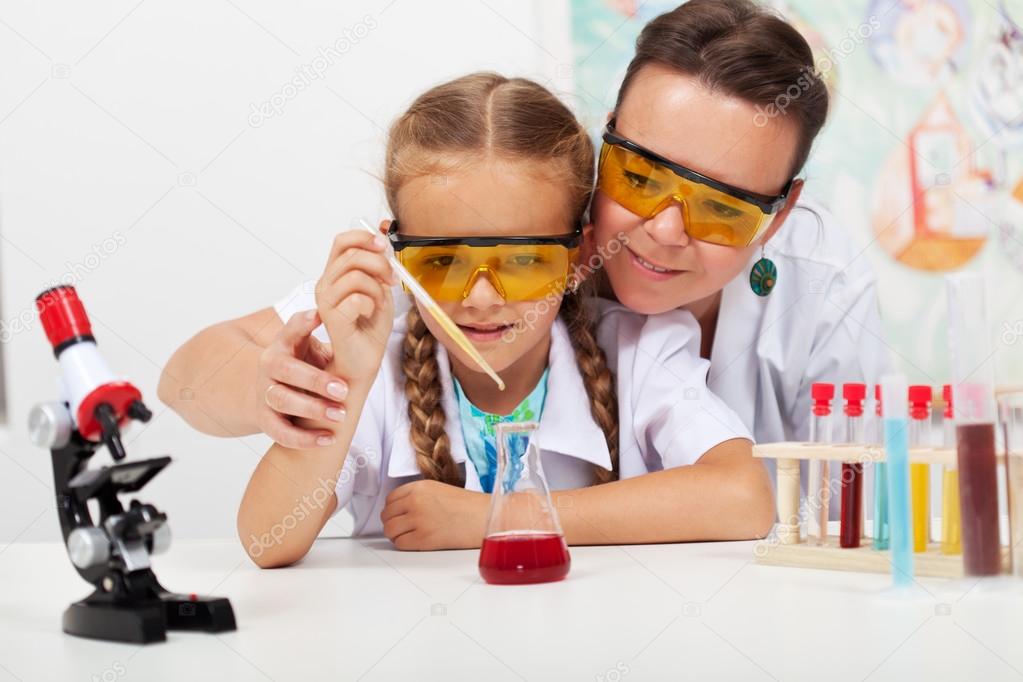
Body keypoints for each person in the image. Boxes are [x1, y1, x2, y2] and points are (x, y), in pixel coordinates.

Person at [159, 0, 890, 455]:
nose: (665, 230)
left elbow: (853, 505)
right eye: (639, 179)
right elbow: (185, 377)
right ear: (606, 145)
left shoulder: (820, 290)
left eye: (724, 208)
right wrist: (261, 388)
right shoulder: (498, 244)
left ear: (780, 215)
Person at [236, 73, 771, 566]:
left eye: (523, 262)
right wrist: (348, 380)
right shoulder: (374, 369)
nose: (483, 299)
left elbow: (745, 499)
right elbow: (266, 541)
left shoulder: (639, 350)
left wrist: (501, 519)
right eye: (443, 262)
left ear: (578, 256)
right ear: (398, 259)